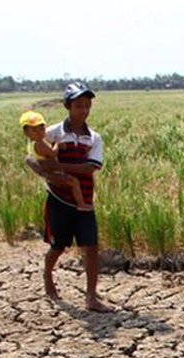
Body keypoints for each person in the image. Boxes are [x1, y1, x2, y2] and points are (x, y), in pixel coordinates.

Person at [25, 82, 113, 312]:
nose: (83, 110)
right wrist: (47, 173)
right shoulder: (53, 132)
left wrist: (57, 164)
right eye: (78, 105)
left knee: (91, 246)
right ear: (67, 106)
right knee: (59, 246)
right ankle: (47, 277)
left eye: (87, 106)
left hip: (84, 201)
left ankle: (91, 297)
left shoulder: (94, 138)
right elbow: (32, 157)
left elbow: (91, 167)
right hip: (59, 199)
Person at [19, 110, 91, 211]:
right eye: (34, 130)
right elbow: (53, 153)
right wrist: (57, 143)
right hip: (54, 172)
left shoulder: (32, 143)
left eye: (42, 128)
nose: (40, 132)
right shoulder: (40, 143)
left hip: (51, 171)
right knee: (74, 182)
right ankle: (81, 204)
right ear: (26, 133)